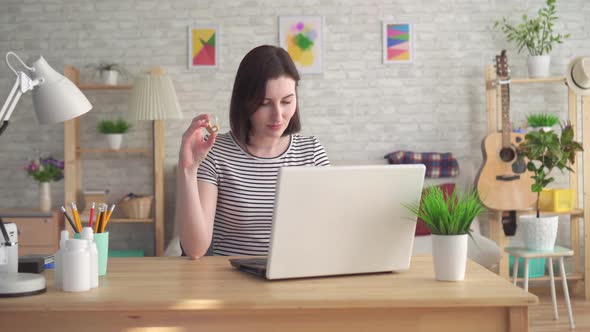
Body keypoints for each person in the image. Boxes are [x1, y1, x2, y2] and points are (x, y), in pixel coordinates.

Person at [176, 45, 330, 259]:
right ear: (245, 102)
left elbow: (330, 231)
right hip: (231, 284)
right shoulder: (215, 153)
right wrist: (188, 170)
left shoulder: (312, 152)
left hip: (296, 278)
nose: (278, 116)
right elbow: (195, 249)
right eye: (265, 104)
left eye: (287, 101)